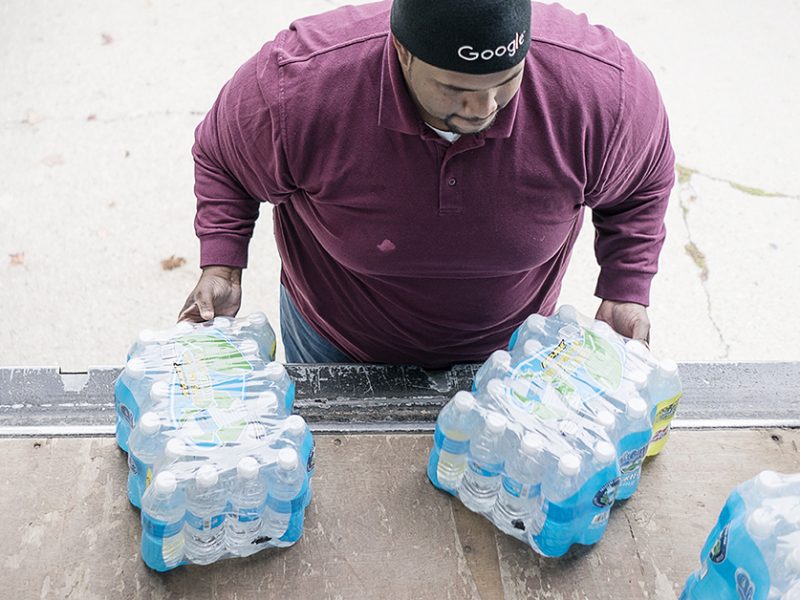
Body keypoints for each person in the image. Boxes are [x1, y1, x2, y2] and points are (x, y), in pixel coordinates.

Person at [179, 0, 675, 368]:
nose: (483, 109)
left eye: (506, 80)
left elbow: (642, 180)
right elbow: (224, 158)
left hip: (513, 356)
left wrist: (626, 288)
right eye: (455, 88)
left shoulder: (602, 90)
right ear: (402, 51)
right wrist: (222, 264)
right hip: (336, 343)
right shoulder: (299, 86)